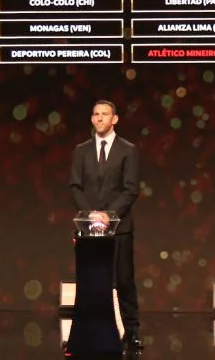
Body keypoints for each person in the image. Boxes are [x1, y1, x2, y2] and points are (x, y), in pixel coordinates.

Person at [69, 99, 141, 351]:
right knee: (91, 280)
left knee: (123, 279)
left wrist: (109, 215)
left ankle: (131, 331)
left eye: (105, 114)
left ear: (115, 119)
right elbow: (75, 186)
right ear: (92, 119)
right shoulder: (81, 150)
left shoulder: (128, 150)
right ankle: (89, 332)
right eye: (96, 114)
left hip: (119, 227)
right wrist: (91, 214)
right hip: (88, 228)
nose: (100, 118)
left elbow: (131, 189)